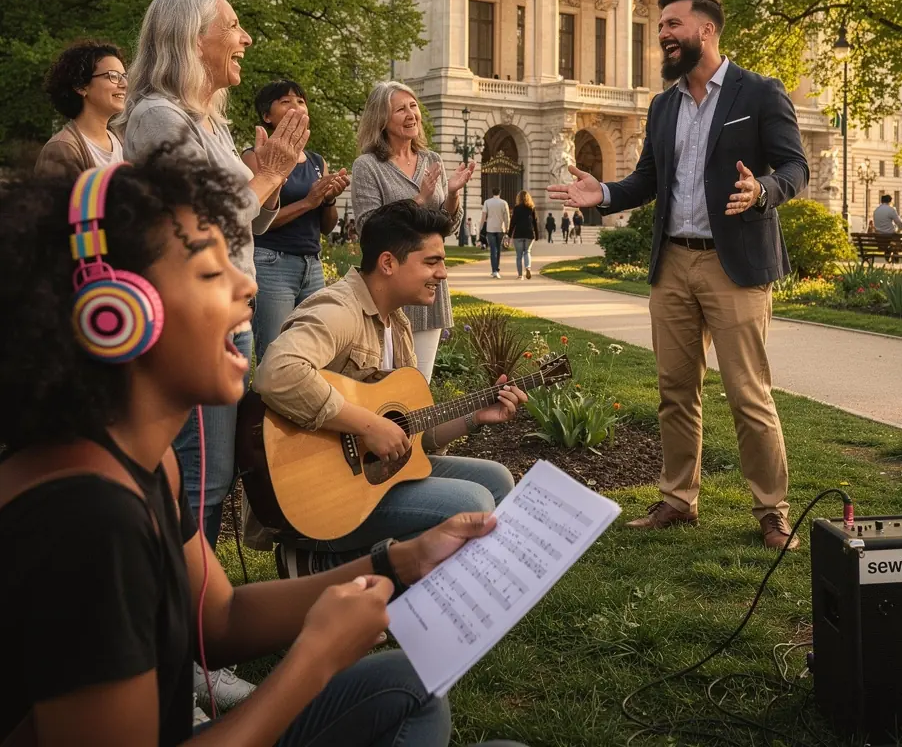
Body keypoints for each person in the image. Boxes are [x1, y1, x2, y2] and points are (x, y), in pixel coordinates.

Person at [0, 154, 527, 747]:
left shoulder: (148, 466)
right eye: (208, 271)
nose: (247, 284)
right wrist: (315, 661)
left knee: (414, 684)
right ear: (113, 315)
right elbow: (283, 373)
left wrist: (399, 562)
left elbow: (219, 620)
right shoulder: (85, 523)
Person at [548, 0, 809, 550]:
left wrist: (763, 190)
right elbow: (647, 179)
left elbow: (795, 166)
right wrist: (605, 193)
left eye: (672, 24)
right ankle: (677, 499)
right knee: (674, 389)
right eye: (660, 25)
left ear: (706, 31)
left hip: (734, 265)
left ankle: (771, 511)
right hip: (673, 263)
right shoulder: (663, 104)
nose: (662, 33)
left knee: (748, 393)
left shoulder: (759, 92)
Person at [120, 0, 308, 710]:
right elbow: (200, 221)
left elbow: (238, 220)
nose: (247, 39)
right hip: (197, 318)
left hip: (226, 309)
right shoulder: (159, 118)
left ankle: (196, 648)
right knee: (196, 483)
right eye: (233, 26)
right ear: (190, 37)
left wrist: (262, 176)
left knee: (213, 477)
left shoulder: (209, 121)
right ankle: (183, 664)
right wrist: (269, 174)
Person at [252, 200, 522, 576]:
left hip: (371, 481)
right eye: (432, 262)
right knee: (472, 500)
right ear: (388, 263)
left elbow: (411, 437)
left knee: (496, 481)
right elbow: (276, 373)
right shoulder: (339, 310)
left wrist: (474, 418)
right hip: (320, 498)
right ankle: (320, 563)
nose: (442, 273)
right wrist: (368, 425)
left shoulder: (397, 324)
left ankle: (460, 593)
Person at [350, 82, 474, 384]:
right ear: (382, 119)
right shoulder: (367, 166)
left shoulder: (433, 161)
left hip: (429, 283)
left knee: (419, 384)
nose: (411, 114)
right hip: (389, 286)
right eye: (401, 109)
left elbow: (446, 227)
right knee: (384, 385)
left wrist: (452, 196)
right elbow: (368, 229)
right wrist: (418, 200)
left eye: (413, 106)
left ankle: (414, 434)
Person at [242, 80, 349, 362]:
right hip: (272, 263)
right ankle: (266, 408)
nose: (296, 107)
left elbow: (326, 226)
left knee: (314, 351)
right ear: (267, 116)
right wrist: (308, 202)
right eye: (286, 102)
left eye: (301, 101)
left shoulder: (316, 161)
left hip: (311, 265)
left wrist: (328, 198)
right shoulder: (255, 157)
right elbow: (257, 219)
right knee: (275, 355)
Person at [35, 40, 127, 178]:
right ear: (80, 86)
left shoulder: (121, 142)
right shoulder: (61, 150)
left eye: (124, 76)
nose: (124, 84)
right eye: (113, 76)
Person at [509, 191, 540, 280]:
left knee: (519, 255)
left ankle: (520, 275)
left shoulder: (516, 208)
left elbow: (513, 222)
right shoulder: (531, 208)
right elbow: (535, 222)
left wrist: (509, 233)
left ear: (518, 198)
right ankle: (528, 267)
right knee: (527, 252)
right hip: (529, 233)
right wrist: (537, 234)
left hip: (518, 233)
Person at [480, 188, 511, 278]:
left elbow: (483, 216)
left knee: (493, 250)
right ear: (500, 193)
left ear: (492, 193)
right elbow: (507, 217)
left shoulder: (487, 202)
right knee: (498, 249)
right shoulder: (504, 203)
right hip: (500, 228)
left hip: (490, 228)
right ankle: (496, 268)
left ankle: (494, 270)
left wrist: (481, 227)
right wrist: (507, 228)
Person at [872, 194, 902, 262]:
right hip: (889, 237)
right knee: (896, 237)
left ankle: (889, 253)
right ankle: (901, 250)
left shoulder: (876, 211)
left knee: (892, 241)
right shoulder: (891, 209)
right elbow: (899, 222)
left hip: (879, 238)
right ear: (890, 201)